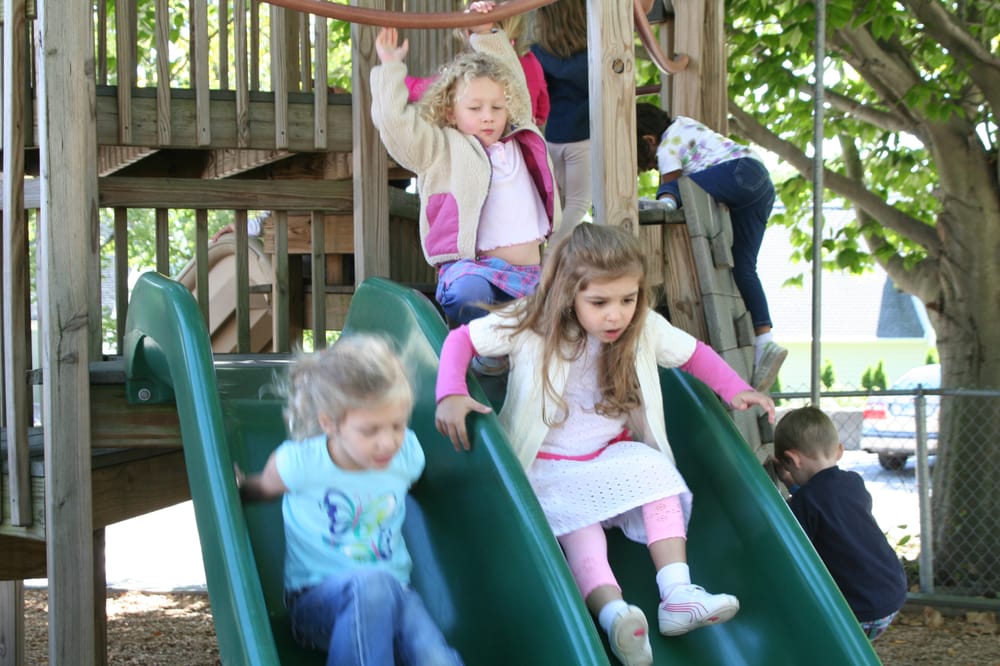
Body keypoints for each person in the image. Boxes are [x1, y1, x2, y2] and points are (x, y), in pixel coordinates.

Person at [434, 223, 776, 666]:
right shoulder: (532, 322)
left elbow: (693, 353)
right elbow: (462, 339)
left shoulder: (643, 328)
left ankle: (677, 593)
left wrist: (735, 389)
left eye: (628, 299)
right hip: (546, 462)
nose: (616, 314)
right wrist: (450, 392)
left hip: (610, 452)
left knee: (658, 475)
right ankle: (614, 616)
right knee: (581, 530)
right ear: (567, 292)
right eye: (599, 302)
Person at [236, 335, 464, 666]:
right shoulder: (301, 463)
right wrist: (238, 486)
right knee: (371, 585)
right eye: (370, 430)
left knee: (437, 659)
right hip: (317, 602)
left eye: (397, 425)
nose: (387, 442)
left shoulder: (407, 455)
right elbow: (263, 488)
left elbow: (408, 483)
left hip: (398, 595)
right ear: (330, 423)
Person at [371, 2, 563, 375]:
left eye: (496, 106)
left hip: (529, 276)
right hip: (473, 270)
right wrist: (390, 67)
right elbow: (395, 125)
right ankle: (479, 351)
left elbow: (511, 78)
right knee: (468, 292)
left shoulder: (520, 134)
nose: (488, 115)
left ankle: (535, 361)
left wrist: (485, 31)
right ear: (450, 112)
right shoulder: (438, 148)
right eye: (474, 108)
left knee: (576, 296)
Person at [635, 102, 786, 392]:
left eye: (649, 162)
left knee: (681, 187)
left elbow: (674, 182)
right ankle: (765, 343)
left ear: (649, 140)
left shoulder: (667, 146)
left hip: (740, 173)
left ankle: (662, 202)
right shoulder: (685, 124)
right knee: (744, 266)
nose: (654, 166)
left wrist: (663, 201)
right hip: (759, 183)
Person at [769, 406, 907, 642]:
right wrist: (795, 487)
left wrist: (794, 492)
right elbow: (827, 504)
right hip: (892, 593)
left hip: (860, 611)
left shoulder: (805, 504)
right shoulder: (853, 483)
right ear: (839, 450)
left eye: (789, 466)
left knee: (803, 635)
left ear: (791, 460)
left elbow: (790, 545)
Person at [405, 7, 550, 127]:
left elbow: (427, 90)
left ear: (469, 33)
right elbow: (543, 111)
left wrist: (390, 68)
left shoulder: (472, 71)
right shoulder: (532, 62)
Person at [531, 0, 592, 229]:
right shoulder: (595, 48)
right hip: (584, 137)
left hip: (554, 137)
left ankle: (551, 256)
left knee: (556, 206)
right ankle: (551, 260)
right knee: (578, 204)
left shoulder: (539, 52)